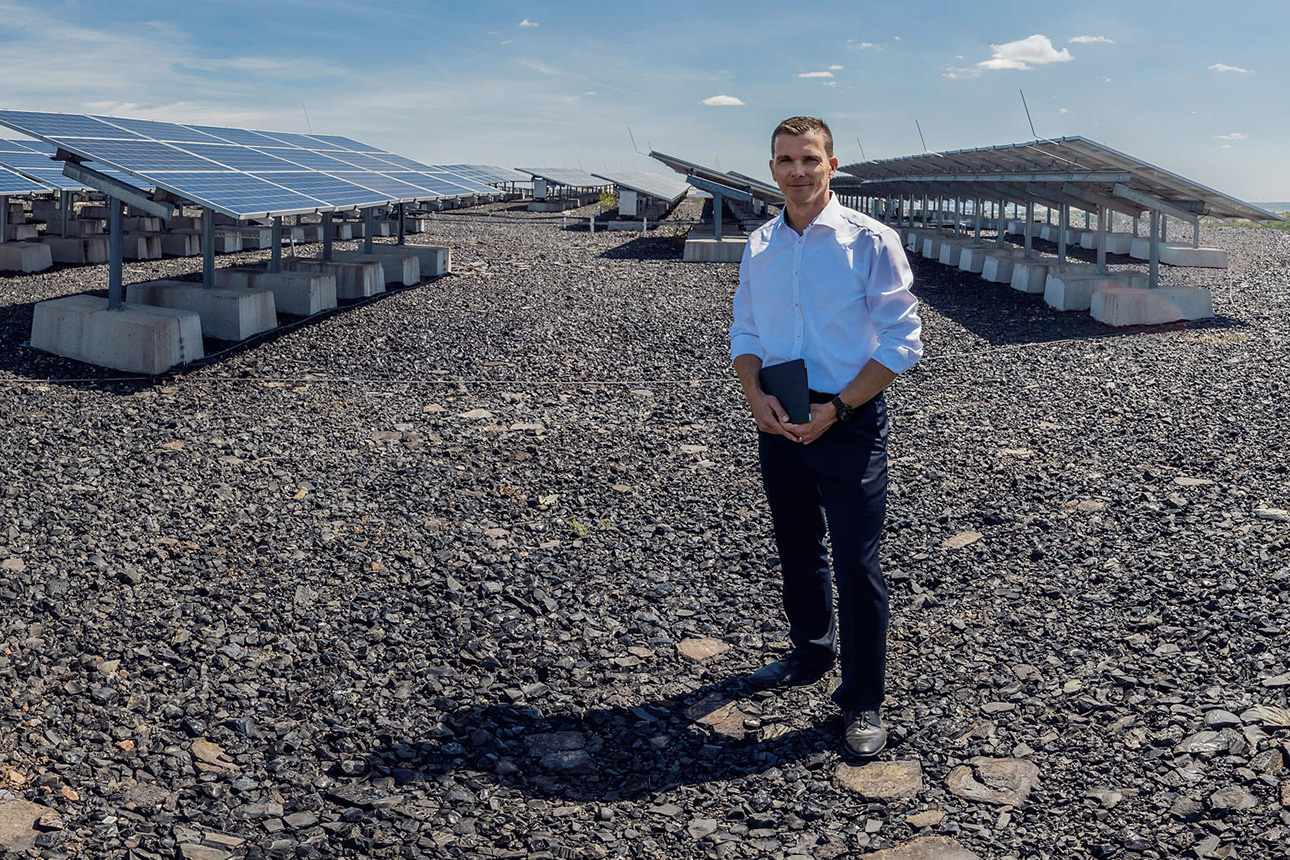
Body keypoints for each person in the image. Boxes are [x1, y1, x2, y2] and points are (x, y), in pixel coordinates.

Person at [730, 116, 923, 757]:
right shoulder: (760, 245)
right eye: (785, 160)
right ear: (772, 169)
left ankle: (863, 699)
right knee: (796, 546)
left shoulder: (871, 241)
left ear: (831, 165)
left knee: (856, 561)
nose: (798, 172)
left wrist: (838, 409)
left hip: (848, 421)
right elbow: (748, 334)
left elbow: (902, 340)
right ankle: (810, 654)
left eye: (810, 159)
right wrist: (755, 395)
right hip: (780, 418)